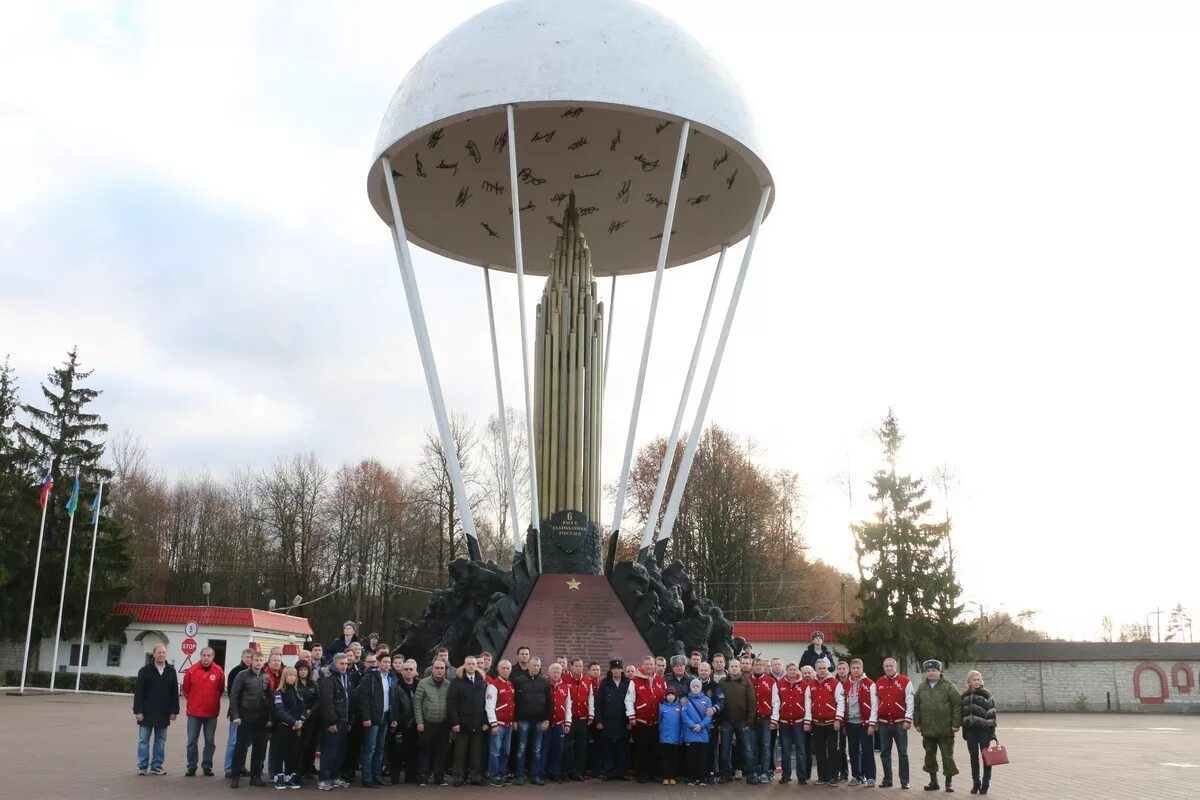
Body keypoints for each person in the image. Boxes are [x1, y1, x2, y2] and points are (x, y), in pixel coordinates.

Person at [913, 659, 960, 793]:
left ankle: (948, 783)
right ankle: (934, 782)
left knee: (947, 757)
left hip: (946, 729)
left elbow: (957, 705)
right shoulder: (921, 687)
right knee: (929, 756)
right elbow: (916, 706)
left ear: (940, 671)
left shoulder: (948, 686)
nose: (931, 673)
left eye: (934, 670)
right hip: (927, 729)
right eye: (928, 671)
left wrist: (956, 724)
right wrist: (917, 723)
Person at [133, 643, 179, 776]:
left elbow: (174, 692)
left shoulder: (171, 671)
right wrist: (138, 711)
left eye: (164, 652)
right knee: (143, 740)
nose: (162, 655)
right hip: (146, 712)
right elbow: (139, 692)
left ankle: (157, 765)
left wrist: (174, 710)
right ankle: (142, 765)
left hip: (164, 712)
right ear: (153, 654)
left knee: (160, 741)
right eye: (159, 652)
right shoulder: (145, 670)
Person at [229, 650, 272, 787]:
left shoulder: (265, 677)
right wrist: (235, 715)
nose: (259, 663)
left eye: (261, 661)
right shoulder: (242, 676)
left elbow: (268, 699)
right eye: (256, 660)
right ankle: (235, 776)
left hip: (260, 718)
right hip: (244, 717)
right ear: (251, 661)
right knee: (240, 747)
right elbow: (234, 696)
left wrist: (269, 717)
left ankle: (255, 777)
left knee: (259, 748)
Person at [182, 646, 224, 777]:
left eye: (209, 656)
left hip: (211, 713)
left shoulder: (218, 671)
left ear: (213, 657)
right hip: (194, 713)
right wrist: (194, 702)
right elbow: (186, 690)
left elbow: (220, 689)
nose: (206, 658)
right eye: (204, 655)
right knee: (191, 741)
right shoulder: (191, 670)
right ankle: (191, 767)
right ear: (200, 656)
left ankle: (207, 766)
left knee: (210, 741)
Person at [449, 655, 490, 786]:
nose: (471, 666)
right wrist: (455, 722)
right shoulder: (457, 681)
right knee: (460, 753)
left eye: (473, 664)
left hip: (478, 723)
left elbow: (486, 703)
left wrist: (485, 722)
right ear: (464, 665)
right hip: (462, 724)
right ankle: (459, 777)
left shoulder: (482, 681)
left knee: (476, 753)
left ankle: (476, 777)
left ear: (476, 666)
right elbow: (452, 703)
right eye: (469, 664)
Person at [804, 657, 845, 786]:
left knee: (834, 751)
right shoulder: (811, 685)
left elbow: (841, 702)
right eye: (819, 668)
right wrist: (808, 721)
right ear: (815, 670)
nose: (822, 671)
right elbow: (807, 704)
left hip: (832, 723)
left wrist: (838, 719)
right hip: (817, 724)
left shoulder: (835, 683)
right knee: (819, 751)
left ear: (828, 668)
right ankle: (823, 777)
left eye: (824, 668)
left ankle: (834, 777)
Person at [358, 652, 396, 788]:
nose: (387, 664)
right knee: (370, 748)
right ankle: (367, 778)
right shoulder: (370, 677)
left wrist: (393, 717)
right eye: (385, 662)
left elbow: (393, 698)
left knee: (380, 748)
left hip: (385, 716)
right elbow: (363, 699)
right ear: (378, 662)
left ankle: (377, 776)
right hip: (373, 718)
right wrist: (366, 717)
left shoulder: (391, 677)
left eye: (389, 662)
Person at [876, 657, 914, 789]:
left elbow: (910, 702)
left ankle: (905, 781)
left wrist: (908, 719)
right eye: (886, 666)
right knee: (884, 753)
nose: (888, 668)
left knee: (902, 753)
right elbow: (876, 703)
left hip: (899, 723)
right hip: (883, 723)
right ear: (883, 667)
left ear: (895, 666)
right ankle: (887, 780)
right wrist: (875, 721)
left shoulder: (905, 681)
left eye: (891, 666)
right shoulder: (879, 682)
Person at [513, 655, 552, 785]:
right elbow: (514, 702)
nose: (536, 668)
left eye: (538, 665)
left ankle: (535, 776)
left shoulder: (544, 682)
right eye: (534, 665)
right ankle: (519, 775)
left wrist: (547, 720)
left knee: (536, 750)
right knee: (521, 749)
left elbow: (549, 703)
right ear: (528, 666)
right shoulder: (519, 681)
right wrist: (515, 720)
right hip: (523, 721)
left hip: (539, 721)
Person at [317, 652, 352, 791]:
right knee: (330, 750)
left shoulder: (345, 677)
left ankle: (334, 776)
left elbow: (348, 699)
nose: (344, 666)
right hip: (333, 721)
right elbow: (327, 702)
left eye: (346, 664)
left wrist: (349, 719)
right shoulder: (328, 678)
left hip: (344, 719)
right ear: (335, 663)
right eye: (341, 664)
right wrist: (332, 722)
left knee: (340, 750)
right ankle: (324, 779)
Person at [415, 659, 453, 786]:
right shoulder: (423, 683)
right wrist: (419, 722)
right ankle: (423, 778)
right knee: (425, 751)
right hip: (427, 723)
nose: (439, 670)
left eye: (442, 668)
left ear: (445, 670)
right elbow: (417, 704)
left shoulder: (448, 684)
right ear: (432, 669)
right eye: (437, 668)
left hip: (443, 724)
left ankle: (439, 778)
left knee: (441, 753)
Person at [596, 658, 635, 780]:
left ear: (622, 670)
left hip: (623, 721)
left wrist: (630, 720)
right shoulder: (604, 683)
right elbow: (599, 703)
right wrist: (599, 720)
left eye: (618, 668)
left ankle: (621, 772)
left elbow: (632, 702)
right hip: (608, 721)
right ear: (611, 670)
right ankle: (608, 772)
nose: (616, 671)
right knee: (608, 748)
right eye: (614, 668)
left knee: (622, 748)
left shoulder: (628, 683)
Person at [960, 670, 998, 795]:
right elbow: (962, 714)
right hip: (970, 730)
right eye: (973, 680)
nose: (976, 682)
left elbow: (991, 714)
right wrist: (964, 729)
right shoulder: (964, 695)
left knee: (985, 756)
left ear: (981, 681)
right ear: (969, 682)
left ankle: (986, 782)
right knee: (973, 756)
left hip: (984, 730)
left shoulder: (986, 694)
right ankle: (976, 782)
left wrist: (992, 732)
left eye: (978, 679)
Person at [720, 660, 758, 783]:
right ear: (728, 668)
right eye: (732, 666)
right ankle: (726, 774)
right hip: (726, 721)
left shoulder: (747, 681)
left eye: (736, 666)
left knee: (747, 749)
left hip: (743, 722)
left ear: (740, 668)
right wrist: (720, 721)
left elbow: (752, 703)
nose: (734, 668)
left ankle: (751, 775)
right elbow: (719, 702)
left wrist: (749, 722)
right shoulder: (722, 682)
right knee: (725, 750)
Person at [629, 655, 665, 783]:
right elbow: (629, 700)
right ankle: (640, 774)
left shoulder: (660, 680)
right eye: (647, 664)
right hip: (641, 721)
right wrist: (631, 716)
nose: (649, 666)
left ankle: (652, 774)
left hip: (655, 722)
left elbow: (664, 700)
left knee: (654, 749)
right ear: (643, 665)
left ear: (654, 665)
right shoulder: (635, 680)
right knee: (641, 749)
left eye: (651, 664)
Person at [844, 658, 878, 786]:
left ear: (862, 669)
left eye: (858, 668)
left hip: (865, 723)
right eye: (853, 668)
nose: (856, 670)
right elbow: (843, 703)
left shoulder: (870, 684)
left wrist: (872, 723)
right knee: (853, 750)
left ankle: (870, 777)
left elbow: (874, 705)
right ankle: (856, 776)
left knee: (867, 750)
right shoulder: (846, 684)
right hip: (850, 723)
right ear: (850, 670)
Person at [272, 666, 307, 789]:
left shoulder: (298, 692)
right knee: (280, 754)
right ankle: (279, 778)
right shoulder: (279, 692)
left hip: (296, 728)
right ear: (284, 677)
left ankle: (289, 778)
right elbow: (280, 711)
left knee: (292, 754)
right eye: (290, 675)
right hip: (283, 728)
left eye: (294, 676)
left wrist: (301, 721)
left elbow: (303, 708)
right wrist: (293, 722)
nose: (292, 678)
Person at [224, 648, 254, 779]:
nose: (249, 659)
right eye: (247, 657)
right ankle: (229, 768)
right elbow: (233, 695)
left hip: (251, 714)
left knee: (246, 742)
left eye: (251, 657)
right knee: (233, 741)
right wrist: (236, 712)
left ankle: (240, 766)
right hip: (237, 713)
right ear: (242, 657)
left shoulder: (256, 673)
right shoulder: (235, 672)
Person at [749, 656, 779, 783]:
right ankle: (754, 771)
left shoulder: (771, 681)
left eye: (761, 665)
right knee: (753, 746)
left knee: (766, 746)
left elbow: (776, 702)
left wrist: (774, 719)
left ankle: (765, 772)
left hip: (766, 719)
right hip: (751, 720)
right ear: (752, 666)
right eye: (756, 664)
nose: (758, 666)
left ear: (764, 666)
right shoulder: (746, 680)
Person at [775, 661, 807, 785]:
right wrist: (776, 719)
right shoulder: (779, 684)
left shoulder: (804, 685)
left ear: (797, 671)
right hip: (784, 723)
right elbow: (776, 702)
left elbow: (807, 704)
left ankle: (802, 776)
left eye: (794, 669)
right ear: (786, 671)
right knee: (785, 751)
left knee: (801, 750)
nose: (792, 672)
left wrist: (806, 719)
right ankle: (786, 775)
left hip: (799, 722)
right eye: (790, 670)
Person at [486, 659, 516, 786]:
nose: (505, 670)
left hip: (508, 725)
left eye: (508, 668)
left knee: (506, 751)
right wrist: (493, 724)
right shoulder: (493, 685)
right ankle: (494, 776)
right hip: (498, 724)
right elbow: (489, 706)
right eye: (503, 668)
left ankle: (502, 774)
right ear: (498, 669)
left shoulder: (510, 684)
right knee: (495, 751)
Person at [391, 659, 420, 785]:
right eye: (406, 669)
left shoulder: (419, 685)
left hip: (416, 722)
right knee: (397, 751)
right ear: (401, 671)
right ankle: (395, 777)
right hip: (401, 722)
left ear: (415, 671)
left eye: (411, 669)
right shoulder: (396, 686)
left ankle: (411, 775)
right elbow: (394, 704)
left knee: (413, 750)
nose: (408, 671)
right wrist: (394, 719)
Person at [563, 657, 593, 780]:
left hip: (582, 718)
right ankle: (566, 771)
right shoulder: (564, 679)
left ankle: (578, 772)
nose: (579, 668)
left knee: (581, 746)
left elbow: (590, 698)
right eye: (576, 666)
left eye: (580, 666)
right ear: (571, 666)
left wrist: (591, 714)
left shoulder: (587, 680)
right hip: (569, 719)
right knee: (567, 746)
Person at [697, 661, 725, 784]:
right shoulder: (693, 684)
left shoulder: (715, 685)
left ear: (710, 671)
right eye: (701, 670)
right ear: (698, 671)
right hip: (695, 725)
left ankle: (711, 772)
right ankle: (698, 773)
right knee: (697, 749)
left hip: (711, 724)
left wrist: (714, 709)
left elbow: (721, 701)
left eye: (706, 670)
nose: (703, 672)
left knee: (711, 749)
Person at [682, 678, 714, 785]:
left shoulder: (707, 700)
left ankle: (702, 778)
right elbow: (684, 715)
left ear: (701, 688)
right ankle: (691, 777)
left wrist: (701, 725)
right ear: (690, 687)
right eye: (693, 686)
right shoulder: (686, 700)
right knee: (691, 757)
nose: (695, 688)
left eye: (697, 686)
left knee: (702, 757)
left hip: (703, 733)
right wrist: (692, 725)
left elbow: (709, 716)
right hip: (690, 733)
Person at [545, 662, 573, 781]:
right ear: (549, 672)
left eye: (558, 672)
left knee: (558, 749)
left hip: (559, 723)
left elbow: (568, 706)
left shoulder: (565, 687)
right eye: (554, 672)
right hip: (546, 723)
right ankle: (544, 772)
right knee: (545, 748)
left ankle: (555, 772)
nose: (556, 674)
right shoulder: (544, 685)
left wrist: (568, 722)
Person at [295, 660, 321, 779]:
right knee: (301, 745)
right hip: (299, 718)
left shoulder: (313, 684)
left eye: (305, 669)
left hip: (312, 718)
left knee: (311, 743)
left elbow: (318, 699)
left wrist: (312, 710)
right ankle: (298, 769)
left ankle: (308, 767)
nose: (303, 672)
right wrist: (303, 711)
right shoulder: (295, 684)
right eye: (301, 670)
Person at [658, 687, 683, 784]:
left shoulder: (679, 707)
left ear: (675, 696)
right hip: (664, 738)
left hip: (675, 738)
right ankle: (665, 777)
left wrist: (681, 736)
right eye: (668, 695)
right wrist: (660, 735)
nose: (671, 697)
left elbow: (681, 723)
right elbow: (660, 722)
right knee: (665, 758)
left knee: (674, 759)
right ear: (665, 696)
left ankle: (672, 777)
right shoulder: (662, 707)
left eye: (672, 695)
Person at [835, 660, 851, 782]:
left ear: (848, 670)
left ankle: (859, 774)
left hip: (853, 721)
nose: (842, 671)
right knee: (840, 749)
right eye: (839, 668)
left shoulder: (853, 683)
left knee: (856, 749)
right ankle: (843, 773)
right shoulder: (834, 683)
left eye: (844, 668)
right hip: (840, 722)